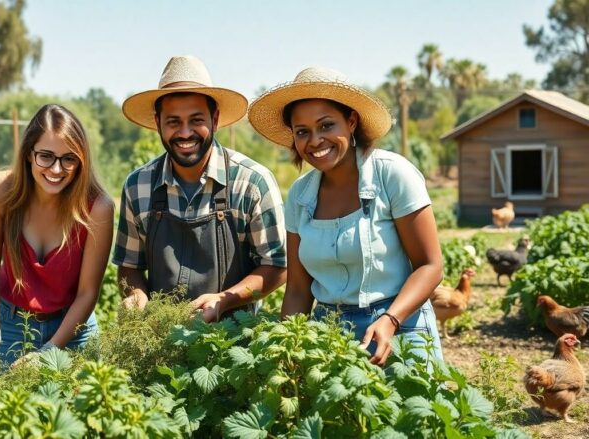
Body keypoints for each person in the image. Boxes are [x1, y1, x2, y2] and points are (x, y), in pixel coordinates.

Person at [248, 67, 444, 366]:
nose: (315, 141)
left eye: (326, 126)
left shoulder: (392, 174)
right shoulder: (300, 196)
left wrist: (391, 319)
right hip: (329, 334)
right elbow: (299, 290)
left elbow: (430, 266)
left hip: (400, 326)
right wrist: (285, 348)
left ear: (351, 121)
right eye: (302, 132)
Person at [113, 55, 286, 322]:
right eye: (173, 122)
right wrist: (136, 296)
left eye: (196, 120)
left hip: (235, 341)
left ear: (214, 119)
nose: (185, 133)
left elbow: (276, 267)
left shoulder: (251, 183)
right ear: (158, 122)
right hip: (161, 341)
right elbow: (129, 266)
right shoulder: (138, 186)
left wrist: (225, 300)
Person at [0, 104, 114, 369]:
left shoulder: (97, 207)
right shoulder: (0, 191)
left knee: (81, 409)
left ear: (81, 160)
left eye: (69, 158)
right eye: (46, 156)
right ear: (28, 154)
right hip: (10, 326)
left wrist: (49, 351)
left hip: (72, 331)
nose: (57, 169)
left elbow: (87, 293)